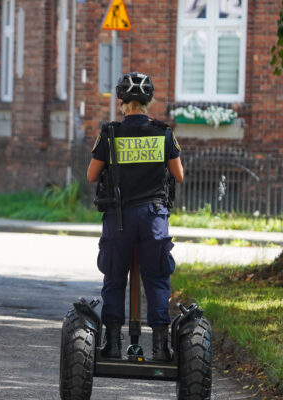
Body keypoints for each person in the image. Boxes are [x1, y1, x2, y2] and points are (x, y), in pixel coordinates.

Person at [87, 72, 184, 361]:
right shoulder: (163, 132)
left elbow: (92, 174)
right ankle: (161, 348)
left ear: (122, 102)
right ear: (148, 101)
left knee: (115, 278)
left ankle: (115, 344)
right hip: (153, 217)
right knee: (156, 279)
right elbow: (178, 175)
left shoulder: (110, 133)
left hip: (119, 218)